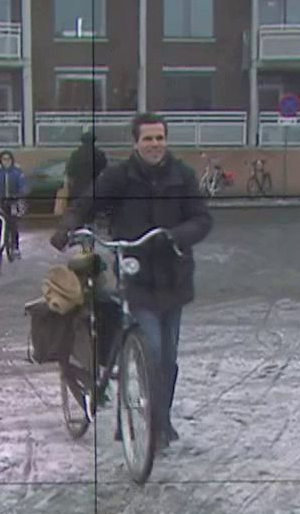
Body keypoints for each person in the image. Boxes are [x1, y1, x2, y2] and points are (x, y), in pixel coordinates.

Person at [50, 112, 213, 451]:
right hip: (136, 276)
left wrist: (177, 235)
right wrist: (67, 226)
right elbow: (87, 203)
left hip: (174, 277)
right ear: (135, 142)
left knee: (167, 357)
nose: (155, 145)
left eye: (160, 138)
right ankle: (145, 421)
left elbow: (202, 218)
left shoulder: (182, 176)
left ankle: (161, 421)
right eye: (148, 139)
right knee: (151, 348)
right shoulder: (119, 176)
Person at [62, 129, 108, 216]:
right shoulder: (100, 154)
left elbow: (70, 173)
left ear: (82, 142)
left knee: (77, 215)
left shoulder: (75, 155)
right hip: (95, 190)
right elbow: (105, 173)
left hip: (78, 191)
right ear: (94, 141)